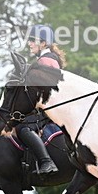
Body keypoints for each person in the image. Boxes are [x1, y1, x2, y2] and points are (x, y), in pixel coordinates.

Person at [15, 24, 66, 175]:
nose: (29, 43)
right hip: (50, 107)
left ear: (43, 43)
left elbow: (46, 92)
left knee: (22, 128)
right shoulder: (48, 58)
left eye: (32, 40)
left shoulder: (44, 61)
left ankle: (46, 161)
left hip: (50, 110)